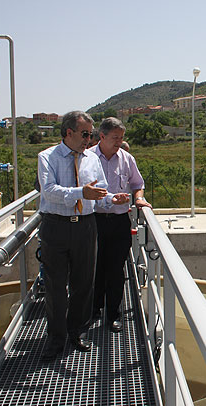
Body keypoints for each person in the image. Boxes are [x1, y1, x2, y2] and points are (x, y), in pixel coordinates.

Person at [37, 111, 130, 360]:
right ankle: (56, 339)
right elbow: (49, 192)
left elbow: (99, 191)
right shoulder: (47, 157)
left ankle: (77, 331)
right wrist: (81, 193)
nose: (89, 140)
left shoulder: (91, 159)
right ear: (69, 133)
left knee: (84, 284)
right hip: (56, 226)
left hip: (86, 226)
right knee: (55, 286)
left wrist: (113, 198)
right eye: (85, 134)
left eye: (90, 134)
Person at [90, 117, 151, 333]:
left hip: (118, 221)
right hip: (93, 221)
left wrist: (139, 198)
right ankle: (93, 310)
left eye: (121, 138)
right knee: (94, 268)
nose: (119, 142)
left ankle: (113, 315)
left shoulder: (127, 159)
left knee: (116, 270)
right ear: (102, 136)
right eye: (115, 138)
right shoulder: (88, 159)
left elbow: (137, 184)